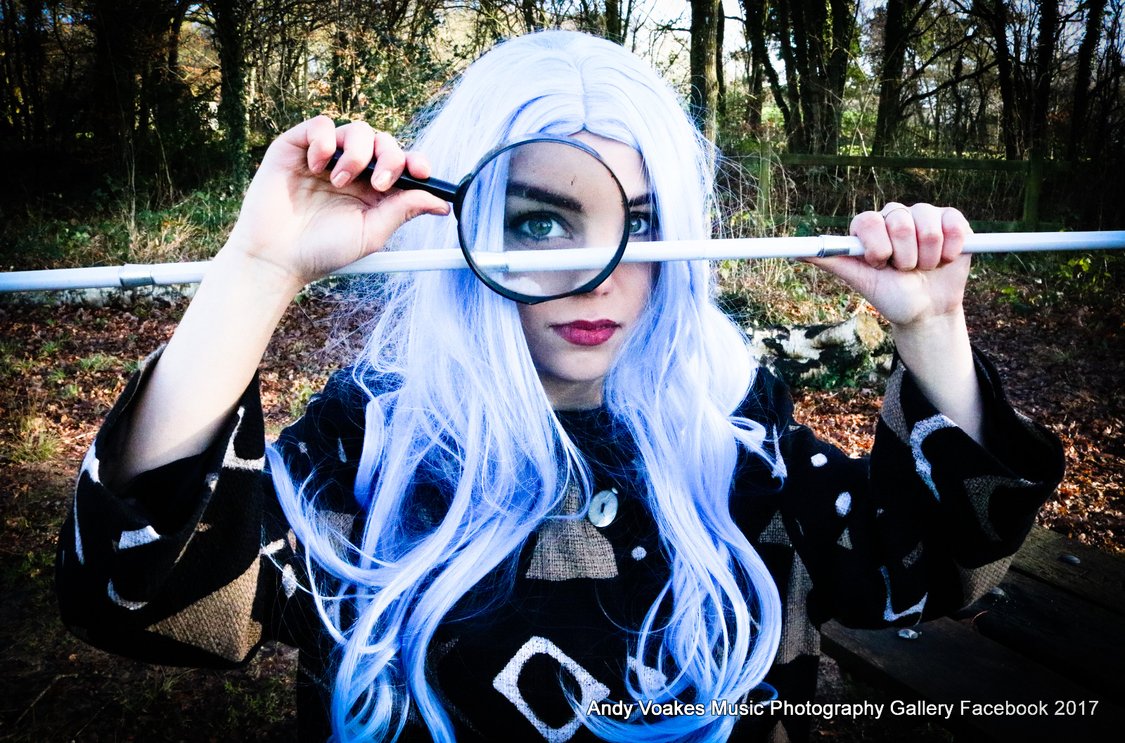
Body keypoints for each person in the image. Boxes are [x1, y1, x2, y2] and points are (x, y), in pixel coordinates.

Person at [56, 30, 1064, 743]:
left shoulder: (737, 447)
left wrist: (933, 328)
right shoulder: (377, 447)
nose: (601, 274)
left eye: (643, 221)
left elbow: (943, 571)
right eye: (540, 222)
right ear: (463, 228)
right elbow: (139, 592)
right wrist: (259, 268)